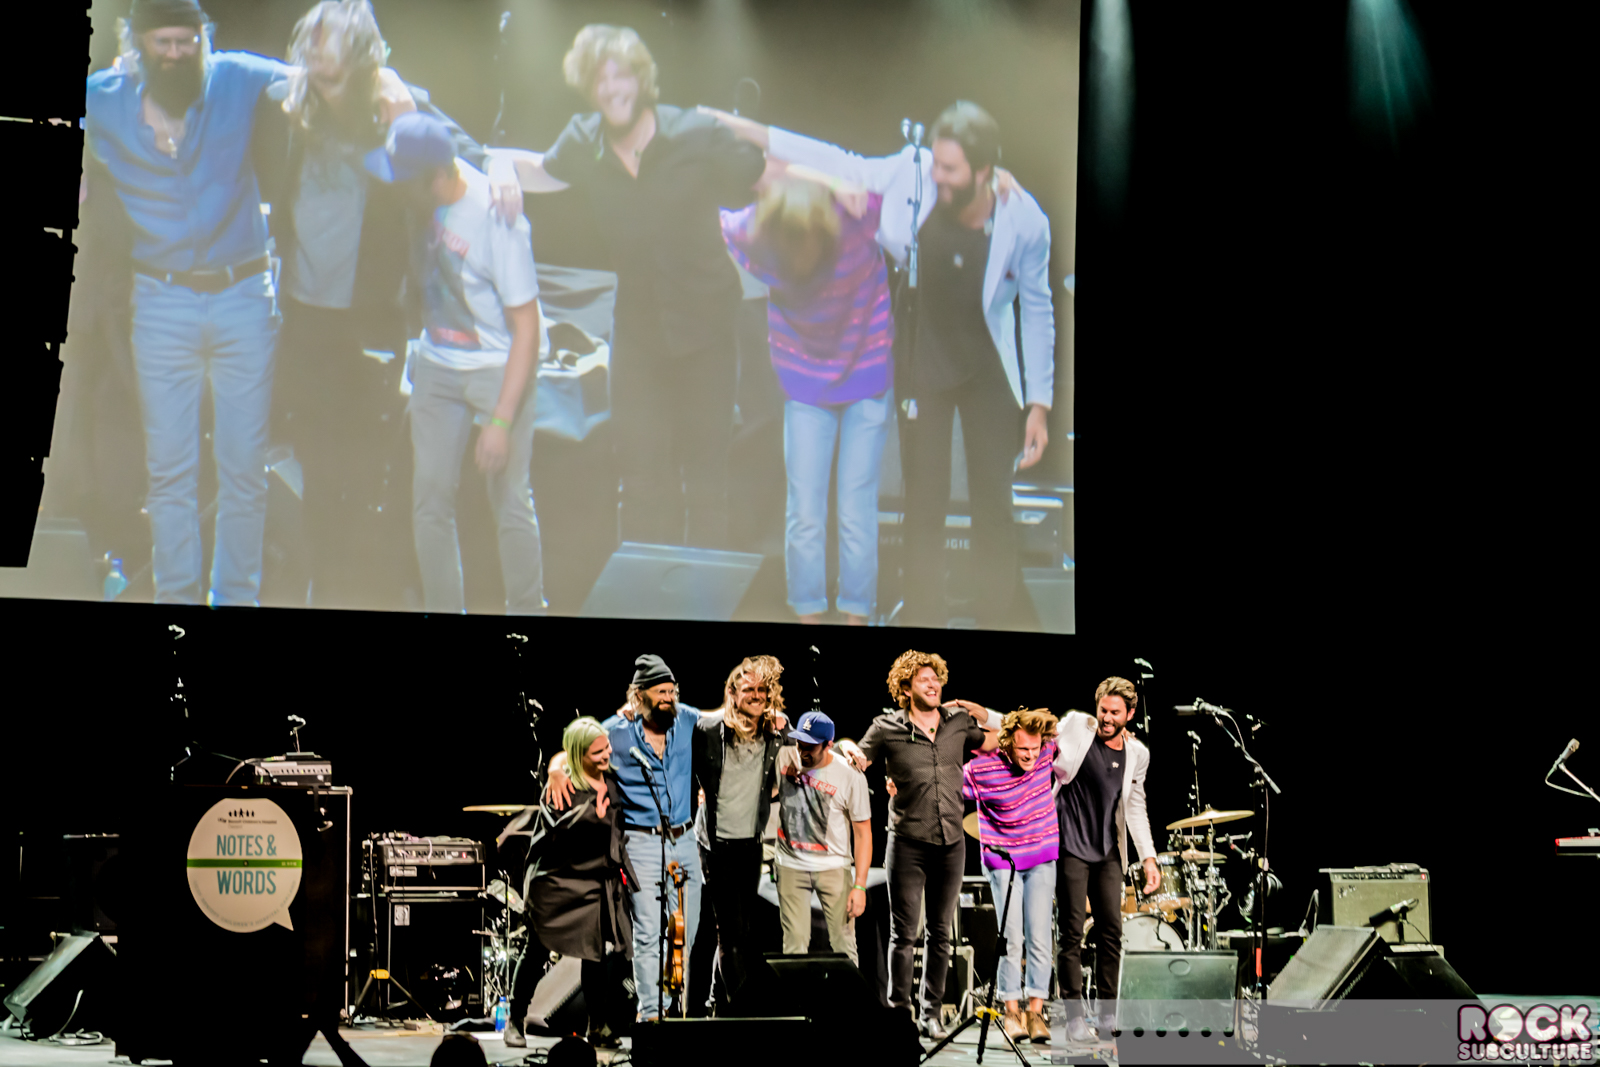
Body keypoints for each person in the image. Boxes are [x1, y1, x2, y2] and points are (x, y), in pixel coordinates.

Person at [705, 101, 1057, 628]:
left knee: (992, 505)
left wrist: (1039, 404)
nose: (937, 175)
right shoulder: (910, 176)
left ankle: (996, 622)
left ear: (984, 171)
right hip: (924, 360)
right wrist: (743, 128)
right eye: (936, 162)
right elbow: (831, 160)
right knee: (923, 504)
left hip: (987, 371)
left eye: (951, 168)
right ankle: (922, 625)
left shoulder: (1024, 220)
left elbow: (1038, 309)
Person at [263, 0, 522, 609]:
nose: (317, 54)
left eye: (330, 44)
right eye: (311, 43)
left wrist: (504, 166)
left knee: (365, 474)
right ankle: (324, 590)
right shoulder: (288, 103)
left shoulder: (399, 108)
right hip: (304, 318)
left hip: (370, 321)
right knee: (317, 468)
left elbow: (469, 155)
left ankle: (362, 594)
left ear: (361, 54)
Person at [486, 24, 766, 549]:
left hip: (708, 332)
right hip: (639, 335)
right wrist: (499, 163)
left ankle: (702, 594)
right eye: (600, 79)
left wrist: (834, 184)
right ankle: (643, 593)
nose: (611, 88)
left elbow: (760, 172)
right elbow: (541, 170)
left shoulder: (694, 134)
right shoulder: (583, 140)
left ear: (641, 80)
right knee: (640, 483)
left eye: (621, 76)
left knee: (706, 484)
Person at [83, 0, 295, 606]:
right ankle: (175, 603)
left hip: (242, 296)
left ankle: (236, 599)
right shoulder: (104, 98)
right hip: (162, 301)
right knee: (169, 472)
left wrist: (395, 92)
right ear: (138, 43)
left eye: (188, 40)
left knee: (243, 468)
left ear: (204, 38)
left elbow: (322, 80)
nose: (177, 53)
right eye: (164, 43)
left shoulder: (235, 77)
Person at [363, 111, 546, 615]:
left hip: (497, 363)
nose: (396, 189)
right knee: (429, 500)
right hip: (439, 361)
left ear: (439, 177)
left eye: (406, 180)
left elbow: (527, 330)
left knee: (510, 499)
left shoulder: (496, 219)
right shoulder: (418, 199)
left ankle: (528, 615)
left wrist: (500, 422)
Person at [720, 173, 893, 625]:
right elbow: (713, 210)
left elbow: (910, 181)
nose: (800, 253)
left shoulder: (852, 218)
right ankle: (812, 624)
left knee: (848, 510)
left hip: (864, 374)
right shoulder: (761, 232)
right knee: (811, 510)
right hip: (809, 382)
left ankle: (852, 621)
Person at [834, 650, 1003, 1040]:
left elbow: (996, 741)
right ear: (906, 688)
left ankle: (931, 1013)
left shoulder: (957, 722)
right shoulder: (886, 727)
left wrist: (981, 712)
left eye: (936, 678)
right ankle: (900, 1014)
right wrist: (844, 744)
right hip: (907, 841)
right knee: (904, 933)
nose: (933, 684)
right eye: (924, 679)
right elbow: (857, 758)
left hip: (951, 842)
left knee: (941, 932)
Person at [544, 655, 701, 1022]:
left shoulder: (686, 719)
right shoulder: (616, 730)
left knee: (686, 933)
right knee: (648, 932)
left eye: (672, 691)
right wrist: (555, 769)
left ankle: (672, 1006)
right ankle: (651, 1014)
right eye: (661, 692)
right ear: (639, 695)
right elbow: (574, 749)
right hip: (641, 842)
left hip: (684, 840)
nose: (669, 698)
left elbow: (726, 716)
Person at [500, 717, 635, 1049]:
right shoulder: (561, 787)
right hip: (557, 881)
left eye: (607, 748)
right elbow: (562, 832)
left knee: (594, 954)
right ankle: (515, 1019)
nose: (606, 755)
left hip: (593, 882)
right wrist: (593, 808)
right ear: (578, 754)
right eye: (597, 751)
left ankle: (598, 1025)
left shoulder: (613, 783)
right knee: (536, 950)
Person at [1052, 677, 1160, 1042]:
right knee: (1071, 932)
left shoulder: (1137, 753)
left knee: (1111, 931)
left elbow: (1135, 806)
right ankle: (1073, 1017)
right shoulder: (1077, 726)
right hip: (1070, 845)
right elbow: (1035, 735)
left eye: (1115, 712)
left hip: (1108, 850)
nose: (1107, 718)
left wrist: (1149, 858)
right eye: (1103, 710)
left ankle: (1107, 1014)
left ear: (1130, 714)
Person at [692, 656, 792, 1009]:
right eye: (748, 689)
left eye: (762, 689)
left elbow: (808, 753)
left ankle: (717, 1004)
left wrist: (848, 747)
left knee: (739, 932)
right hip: (715, 844)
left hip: (750, 843)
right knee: (731, 933)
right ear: (732, 692)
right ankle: (740, 1011)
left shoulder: (775, 731)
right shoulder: (707, 729)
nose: (757, 695)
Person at [961, 707, 1062, 1045]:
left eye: (1034, 748)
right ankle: (1011, 1011)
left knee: (1040, 938)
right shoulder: (980, 769)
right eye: (1023, 749)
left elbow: (1071, 730)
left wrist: (995, 716)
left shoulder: (1046, 751)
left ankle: (1036, 1012)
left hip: (1041, 856)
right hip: (1003, 860)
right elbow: (942, 784)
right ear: (1006, 744)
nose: (1031, 755)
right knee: (1011, 938)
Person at [774, 711, 871, 964]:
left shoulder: (850, 775)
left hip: (833, 867)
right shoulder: (784, 756)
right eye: (800, 743)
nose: (802, 751)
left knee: (843, 943)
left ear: (828, 745)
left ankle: (848, 992)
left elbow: (863, 833)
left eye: (810, 747)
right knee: (793, 945)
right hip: (790, 865)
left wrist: (860, 886)